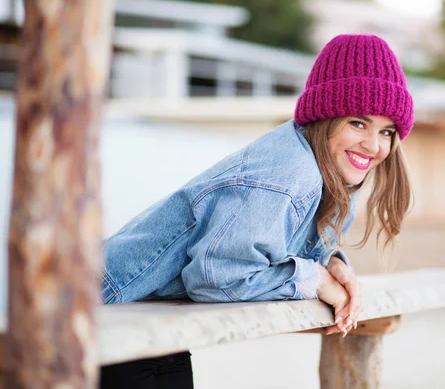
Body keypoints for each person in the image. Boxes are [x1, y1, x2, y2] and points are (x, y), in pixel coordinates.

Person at [99, 33, 414, 388]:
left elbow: (293, 247)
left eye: (387, 131)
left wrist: (335, 266)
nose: (373, 146)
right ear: (326, 116)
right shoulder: (289, 172)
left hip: (146, 317)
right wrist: (315, 280)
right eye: (358, 123)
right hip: (100, 312)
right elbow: (217, 277)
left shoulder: (333, 171)